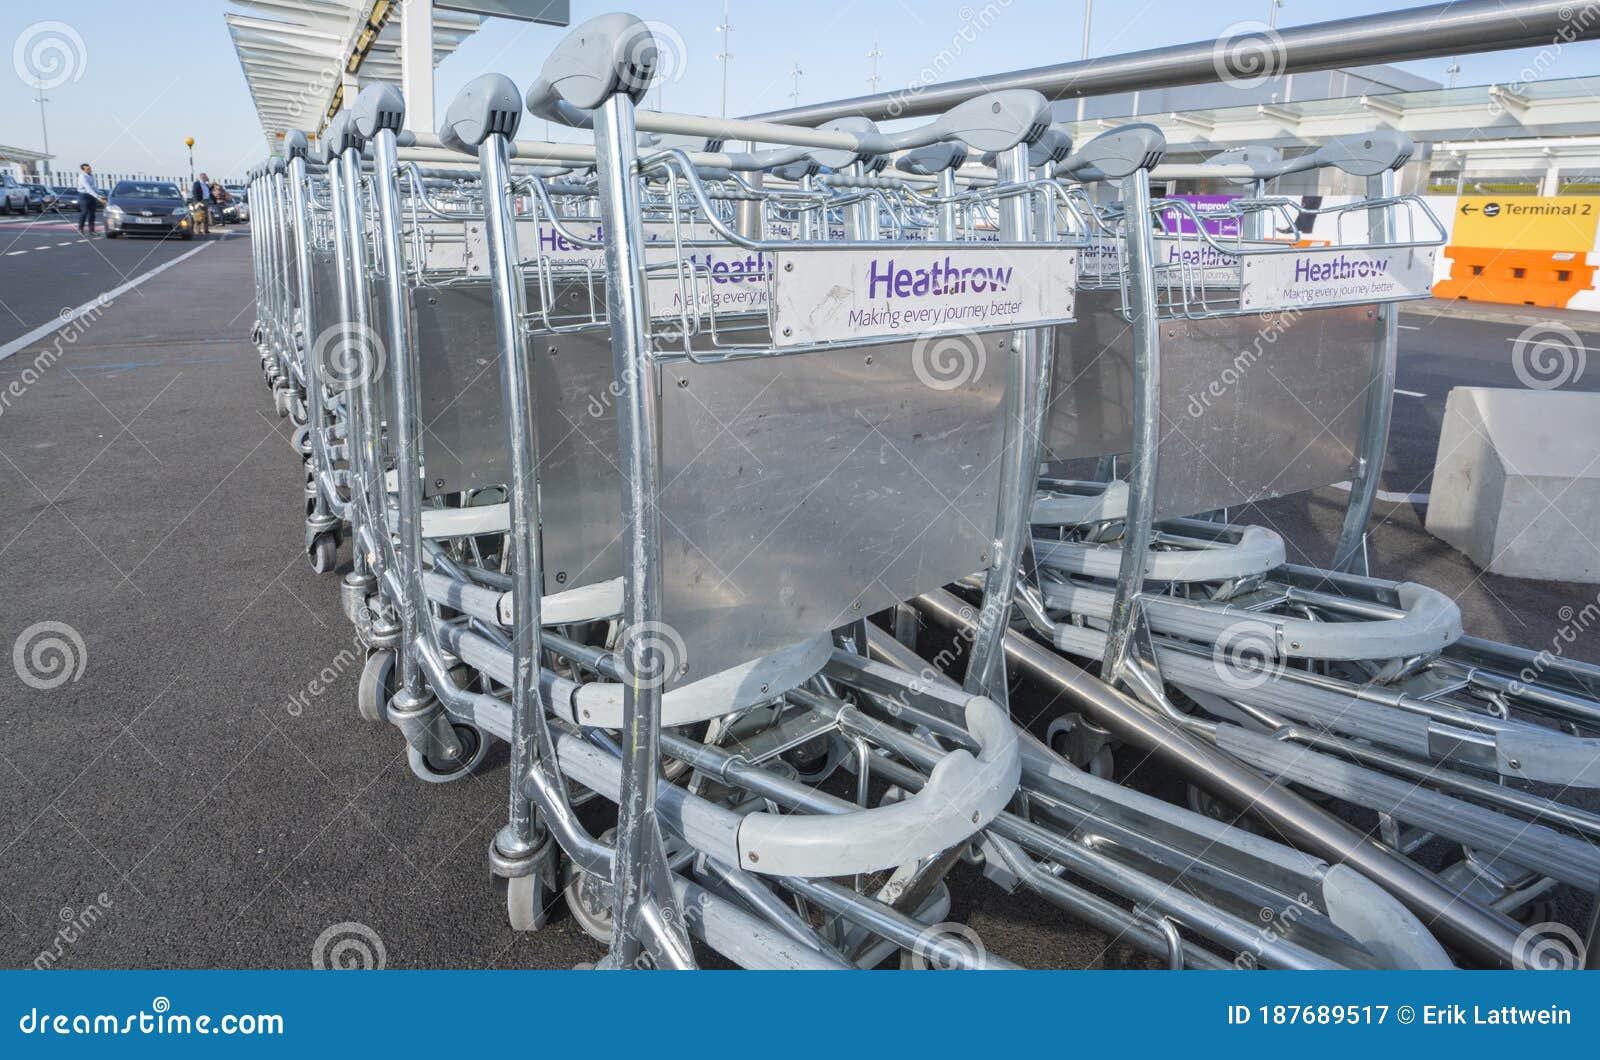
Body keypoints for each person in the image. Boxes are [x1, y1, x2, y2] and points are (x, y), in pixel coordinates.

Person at [75, 163, 104, 236]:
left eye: (89, 168)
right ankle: (80, 229)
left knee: (92, 213)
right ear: (83, 170)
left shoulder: (92, 176)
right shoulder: (82, 177)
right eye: (87, 169)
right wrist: (98, 198)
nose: (89, 170)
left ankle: (92, 231)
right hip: (84, 195)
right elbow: (88, 189)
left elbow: (93, 187)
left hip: (91, 196)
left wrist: (99, 194)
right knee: (84, 212)